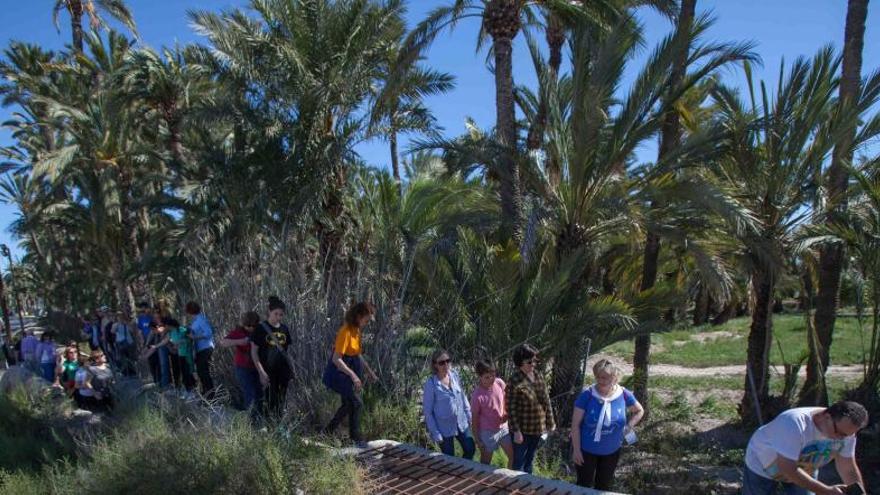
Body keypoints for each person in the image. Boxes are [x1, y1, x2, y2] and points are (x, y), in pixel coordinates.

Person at [742, 400, 869, 495]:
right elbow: (787, 468)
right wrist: (826, 491)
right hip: (762, 464)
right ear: (827, 417)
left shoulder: (846, 432)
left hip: (805, 468)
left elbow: (848, 469)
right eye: (839, 433)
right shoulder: (793, 423)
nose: (842, 438)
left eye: (848, 435)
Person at [571, 358, 644, 490]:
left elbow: (639, 411)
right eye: (598, 377)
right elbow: (575, 425)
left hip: (612, 451)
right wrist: (576, 450)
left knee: (603, 486)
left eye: (605, 378)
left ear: (615, 377)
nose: (600, 381)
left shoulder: (623, 394)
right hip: (586, 451)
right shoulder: (587, 395)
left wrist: (628, 427)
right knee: (583, 485)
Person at [322, 302, 378, 443]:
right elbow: (336, 359)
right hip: (339, 373)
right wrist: (353, 376)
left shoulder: (356, 331)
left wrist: (369, 372)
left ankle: (329, 432)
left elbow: (357, 355)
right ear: (358, 316)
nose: (367, 322)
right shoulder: (345, 331)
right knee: (356, 403)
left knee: (349, 404)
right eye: (366, 319)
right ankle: (355, 437)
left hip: (351, 370)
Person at [506, 343, 555, 474]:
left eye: (535, 360)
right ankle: (515, 487)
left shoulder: (538, 375)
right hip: (522, 431)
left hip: (538, 428)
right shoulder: (514, 380)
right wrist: (516, 431)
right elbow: (511, 408)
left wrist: (550, 422)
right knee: (518, 462)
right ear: (520, 362)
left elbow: (546, 400)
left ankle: (527, 486)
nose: (533, 364)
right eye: (529, 361)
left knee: (530, 459)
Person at [423, 349, 475, 460]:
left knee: (470, 448)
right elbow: (428, 412)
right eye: (441, 362)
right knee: (449, 459)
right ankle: (454, 475)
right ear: (435, 365)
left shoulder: (454, 375)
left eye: (448, 361)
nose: (445, 364)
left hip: (461, 422)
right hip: (444, 428)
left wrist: (469, 415)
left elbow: (462, 396)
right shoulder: (431, 383)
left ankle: (463, 470)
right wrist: (436, 433)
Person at [250, 296, 293, 422]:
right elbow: (254, 352)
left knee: (281, 400)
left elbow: (286, 351)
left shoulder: (285, 329)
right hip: (268, 371)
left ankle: (278, 426)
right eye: (276, 314)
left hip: (283, 371)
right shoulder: (260, 328)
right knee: (269, 400)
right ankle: (268, 427)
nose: (278, 317)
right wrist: (261, 372)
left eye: (281, 314)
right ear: (269, 311)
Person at [471, 359, 513, 468]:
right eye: (487, 377)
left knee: (513, 456)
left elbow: (507, 400)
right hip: (487, 433)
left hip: (503, 429)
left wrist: (506, 413)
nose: (491, 379)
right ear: (479, 376)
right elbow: (474, 420)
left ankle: (510, 481)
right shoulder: (477, 396)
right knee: (485, 462)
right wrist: (478, 440)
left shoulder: (499, 383)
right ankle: (481, 482)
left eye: (493, 375)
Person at [219, 311, 262, 412]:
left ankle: (259, 419)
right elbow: (223, 342)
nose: (251, 328)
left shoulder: (260, 330)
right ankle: (251, 421)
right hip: (243, 368)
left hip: (257, 367)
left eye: (254, 325)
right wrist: (240, 341)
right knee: (249, 393)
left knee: (259, 394)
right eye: (249, 325)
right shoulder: (238, 332)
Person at [142, 318, 196, 398]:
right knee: (184, 374)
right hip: (180, 354)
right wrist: (155, 346)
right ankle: (188, 390)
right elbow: (165, 342)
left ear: (169, 325)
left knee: (188, 372)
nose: (165, 327)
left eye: (166, 325)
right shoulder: (170, 333)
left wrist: (183, 341)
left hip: (187, 354)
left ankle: (192, 391)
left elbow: (190, 336)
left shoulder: (182, 329)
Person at [186, 301, 215, 398]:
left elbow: (208, 333)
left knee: (203, 371)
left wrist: (195, 337)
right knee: (200, 371)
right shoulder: (195, 321)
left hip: (205, 348)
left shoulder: (201, 320)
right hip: (200, 349)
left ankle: (211, 395)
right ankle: (206, 393)